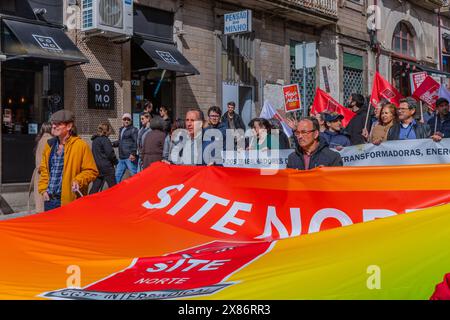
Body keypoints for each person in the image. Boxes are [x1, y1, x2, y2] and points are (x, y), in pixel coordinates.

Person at [38, 110, 98, 211]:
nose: (53, 126)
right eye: (53, 123)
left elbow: (91, 171)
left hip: (70, 201)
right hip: (49, 200)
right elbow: (44, 170)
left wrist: (78, 180)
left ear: (69, 126)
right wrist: (44, 190)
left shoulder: (81, 145)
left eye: (58, 124)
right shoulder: (49, 145)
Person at [90, 123, 118, 194]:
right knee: (113, 188)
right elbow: (110, 154)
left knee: (95, 187)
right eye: (110, 130)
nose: (110, 132)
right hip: (107, 167)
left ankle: (90, 201)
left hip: (97, 167)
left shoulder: (95, 140)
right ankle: (116, 201)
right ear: (106, 130)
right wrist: (115, 161)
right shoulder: (105, 140)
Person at [32, 122, 53, 213]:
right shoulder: (50, 140)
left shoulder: (40, 139)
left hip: (38, 173)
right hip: (46, 173)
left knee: (39, 201)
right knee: (46, 202)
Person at [113, 113, 139, 183]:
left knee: (134, 175)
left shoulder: (133, 130)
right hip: (121, 158)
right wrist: (112, 144)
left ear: (131, 121)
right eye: (124, 119)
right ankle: (116, 192)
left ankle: (138, 190)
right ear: (122, 120)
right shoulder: (122, 129)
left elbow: (136, 142)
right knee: (117, 176)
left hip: (129, 157)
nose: (126, 121)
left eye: (128, 119)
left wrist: (133, 153)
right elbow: (120, 141)